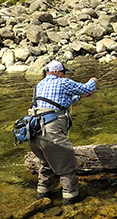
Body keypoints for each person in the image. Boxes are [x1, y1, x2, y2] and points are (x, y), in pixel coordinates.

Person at [29, 59, 97, 204]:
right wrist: (93, 80)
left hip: (34, 134)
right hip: (51, 133)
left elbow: (58, 102)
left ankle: (42, 195)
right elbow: (87, 88)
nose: (65, 75)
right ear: (58, 72)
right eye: (64, 72)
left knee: (46, 163)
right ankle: (70, 200)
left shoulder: (38, 86)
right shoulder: (62, 82)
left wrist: (79, 97)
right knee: (67, 166)